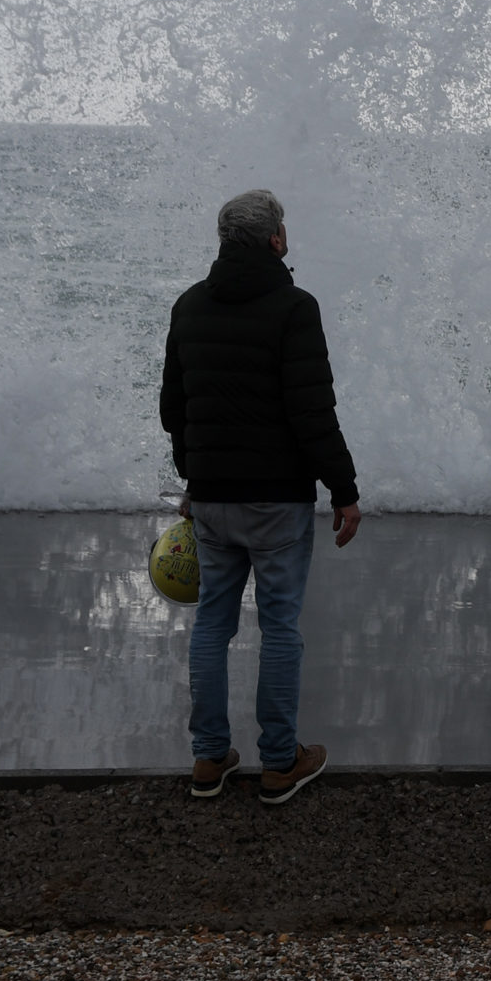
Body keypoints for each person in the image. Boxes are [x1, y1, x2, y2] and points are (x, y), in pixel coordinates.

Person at [160, 188, 361, 805]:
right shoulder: (294, 307)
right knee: (279, 628)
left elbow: (174, 409)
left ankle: (208, 757)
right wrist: (344, 489)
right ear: (276, 240)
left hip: (214, 500)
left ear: (224, 242)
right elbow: (311, 411)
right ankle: (279, 763)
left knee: (211, 625)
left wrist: (195, 480)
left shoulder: (189, 306)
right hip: (277, 502)